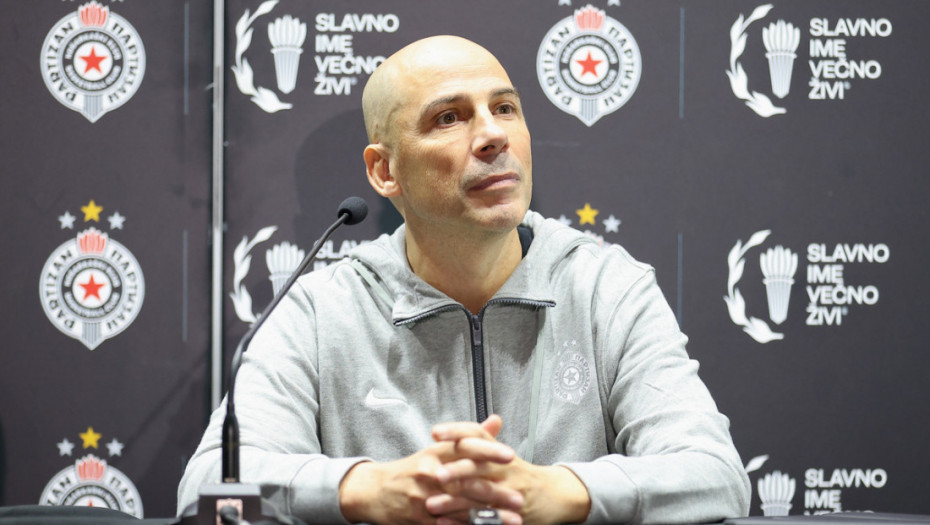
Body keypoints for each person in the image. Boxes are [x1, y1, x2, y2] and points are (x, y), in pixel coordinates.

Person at [178, 35, 750, 524]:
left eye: (505, 108)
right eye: (448, 118)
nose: (492, 135)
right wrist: (372, 489)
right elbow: (208, 484)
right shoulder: (320, 309)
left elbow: (714, 473)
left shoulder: (606, 287)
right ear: (384, 170)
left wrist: (557, 492)